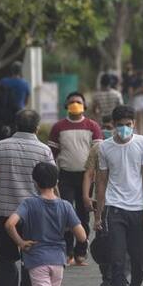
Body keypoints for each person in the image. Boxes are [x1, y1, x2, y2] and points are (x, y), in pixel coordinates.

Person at [0, 110, 55, 286]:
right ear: (37, 127)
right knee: (32, 265)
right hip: (35, 215)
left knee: (5, 259)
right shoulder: (44, 150)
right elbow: (52, 183)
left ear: (15, 125)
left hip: (5, 214)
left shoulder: (0, 146)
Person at [94, 105, 143, 286]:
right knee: (117, 261)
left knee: (139, 262)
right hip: (114, 208)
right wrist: (98, 215)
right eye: (120, 125)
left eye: (128, 125)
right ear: (114, 126)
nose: (124, 129)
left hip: (138, 209)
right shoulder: (105, 148)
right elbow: (101, 181)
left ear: (134, 125)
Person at [48, 92, 103, 265]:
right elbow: (51, 154)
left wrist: (96, 173)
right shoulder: (58, 127)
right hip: (65, 176)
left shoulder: (92, 126)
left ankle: (80, 252)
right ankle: (67, 252)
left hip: (87, 177)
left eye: (78, 102)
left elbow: (98, 153)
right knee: (65, 213)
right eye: (71, 102)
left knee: (83, 214)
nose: (75, 104)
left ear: (84, 106)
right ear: (66, 105)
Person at [83, 116, 115, 286]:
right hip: (102, 202)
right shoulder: (97, 148)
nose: (109, 130)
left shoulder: (128, 147)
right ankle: (106, 277)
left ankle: (119, 275)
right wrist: (86, 196)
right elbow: (88, 174)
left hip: (125, 202)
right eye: (106, 128)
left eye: (111, 127)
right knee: (102, 241)